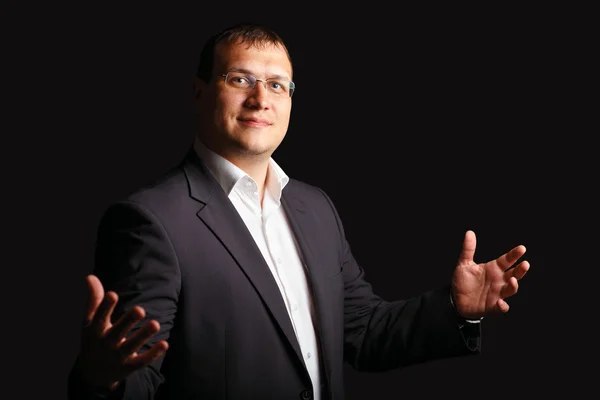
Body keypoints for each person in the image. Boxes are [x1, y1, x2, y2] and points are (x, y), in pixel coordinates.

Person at [67, 22, 531, 400]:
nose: (260, 99)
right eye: (240, 79)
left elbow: (364, 332)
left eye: (276, 85)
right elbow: (136, 372)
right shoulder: (150, 221)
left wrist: (456, 310)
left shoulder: (314, 207)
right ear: (198, 92)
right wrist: (104, 380)